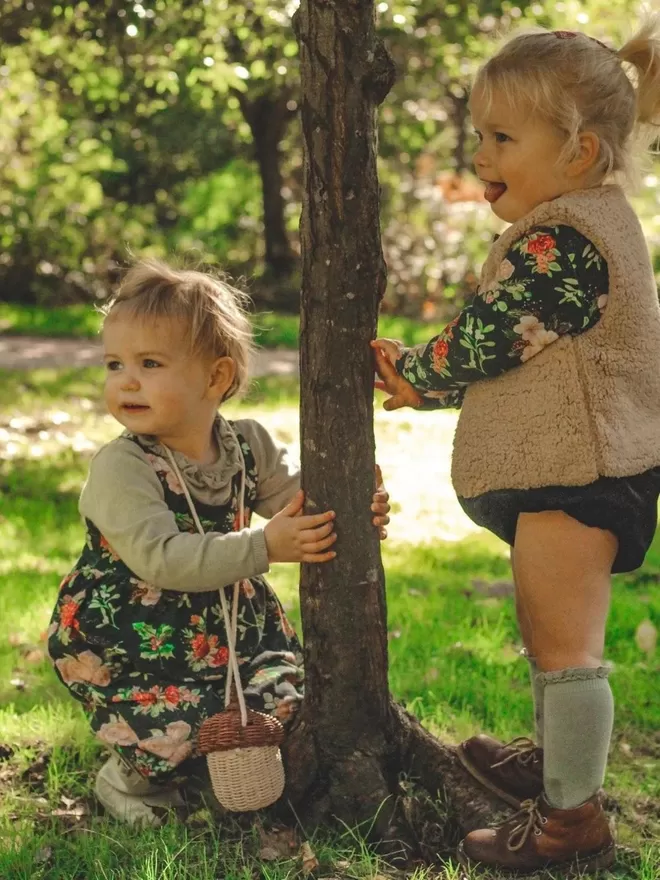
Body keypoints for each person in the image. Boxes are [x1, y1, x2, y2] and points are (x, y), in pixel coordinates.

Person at [372, 17, 660, 876]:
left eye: (503, 138)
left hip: (585, 473)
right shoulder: (574, 220)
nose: (482, 155)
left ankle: (573, 821)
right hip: (573, 469)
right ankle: (558, 768)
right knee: (547, 636)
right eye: (479, 136)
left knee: (568, 647)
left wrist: (423, 370)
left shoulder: (567, 238)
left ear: (578, 153)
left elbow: (497, 334)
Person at [47, 259, 390, 826]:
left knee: (279, 700)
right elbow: (161, 558)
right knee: (171, 728)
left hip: (227, 622)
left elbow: (296, 509)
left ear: (216, 379)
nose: (126, 380)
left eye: (149, 363)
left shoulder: (247, 445)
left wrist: (353, 513)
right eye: (115, 364)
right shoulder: (123, 466)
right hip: (135, 634)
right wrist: (264, 547)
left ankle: (215, 783)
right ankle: (129, 781)